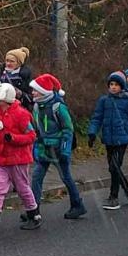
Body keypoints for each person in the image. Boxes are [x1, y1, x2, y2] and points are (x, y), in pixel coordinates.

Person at [0, 83, 41, 234]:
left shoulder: (21, 114)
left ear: (4, 98)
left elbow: (31, 136)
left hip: (18, 159)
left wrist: (13, 138)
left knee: (22, 187)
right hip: (0, 158)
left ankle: (33, 214)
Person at [29, 74, 86, 220]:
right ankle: (34, 210)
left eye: (35, 90)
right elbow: (36, 129)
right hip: (43, 149)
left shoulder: (58, 107)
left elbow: (68, 129)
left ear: (43, 91)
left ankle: (77, 205)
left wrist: (64, 150)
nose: (33, 93)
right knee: (36, 178)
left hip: (57, 150)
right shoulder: (36, 106)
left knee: (65, 177)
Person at [87, 71, 128, 211]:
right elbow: (97, 117)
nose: (113, 87)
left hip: (122, 138)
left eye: (116, 85)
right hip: (108, 139)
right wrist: (92, 132)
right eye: (111, 84)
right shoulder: (104, 101)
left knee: (114, 166)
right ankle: (126, 185)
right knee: (112, 168)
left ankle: (114, 197)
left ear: (121, 87)